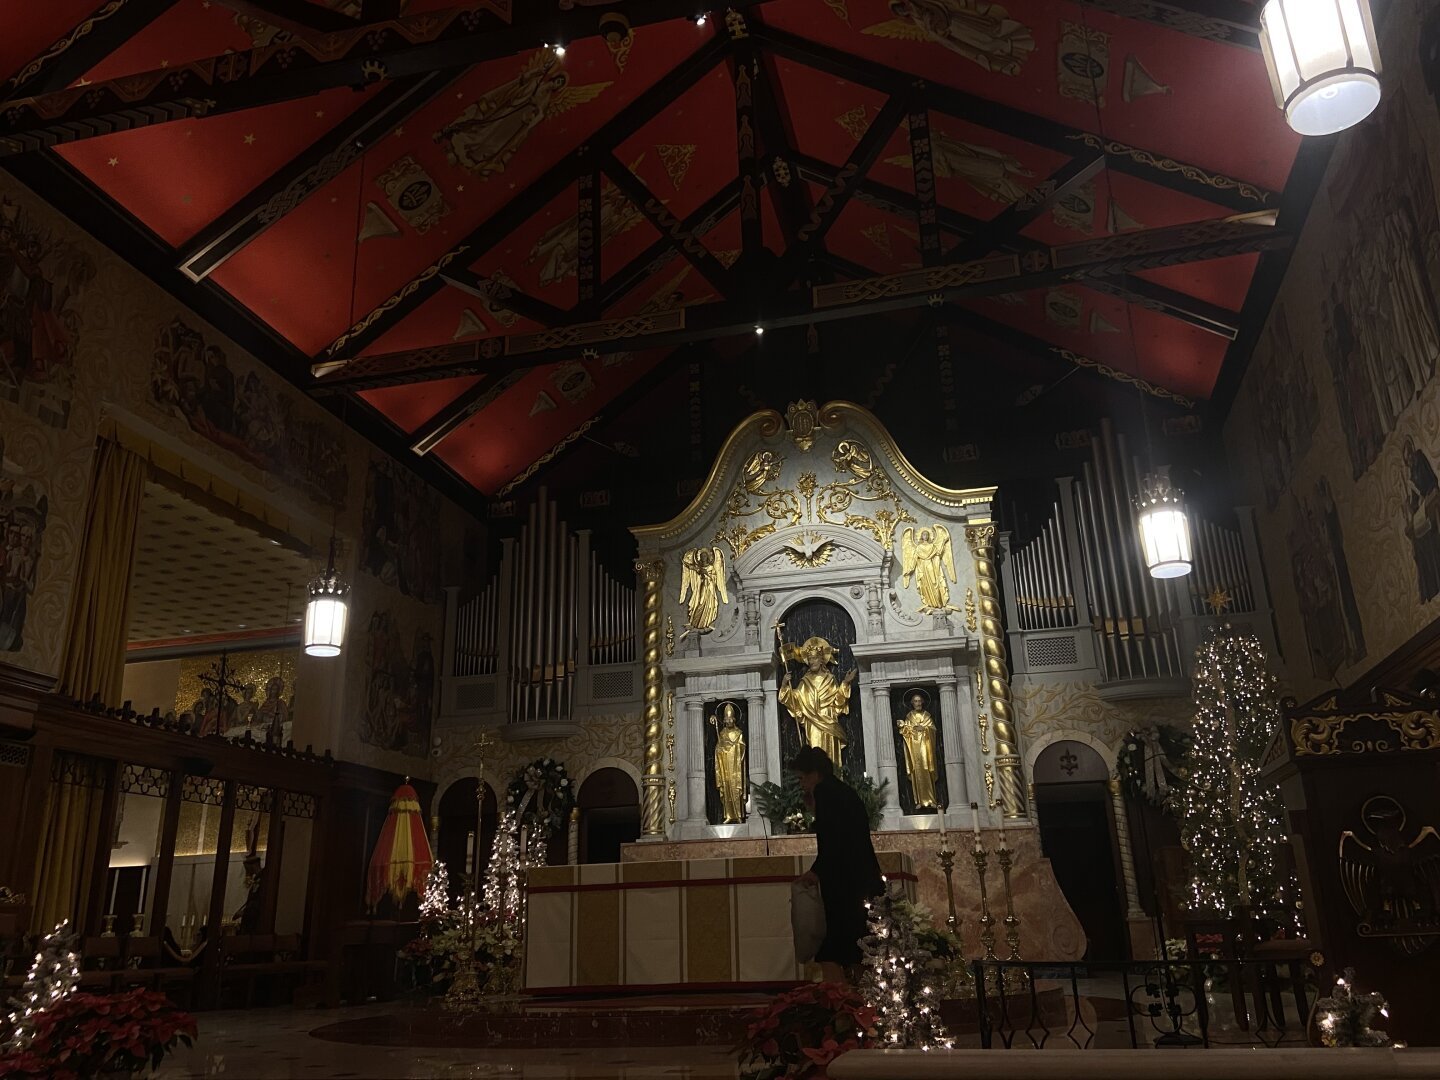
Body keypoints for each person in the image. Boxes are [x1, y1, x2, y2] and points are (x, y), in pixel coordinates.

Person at [792, 746, 883, 984]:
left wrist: (815, 872)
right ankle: (862, 1006)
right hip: (862, 880)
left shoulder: (825, 792)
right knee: (859, 949)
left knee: (832, 951)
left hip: (848, 886)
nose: (801, 784)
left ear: (815, 774)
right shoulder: (841, 791)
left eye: (802, 778)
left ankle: (842, 1009)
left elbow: (832, 841)